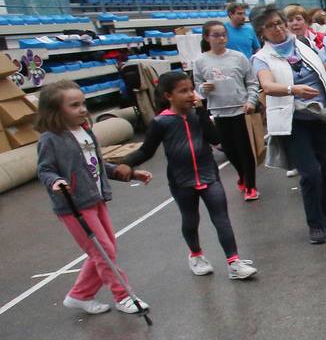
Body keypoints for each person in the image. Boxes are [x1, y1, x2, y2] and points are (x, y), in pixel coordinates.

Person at [123, 71, 257, 280]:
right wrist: (125, 164)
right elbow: (146, 151)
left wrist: (202, 113)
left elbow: (214, 139)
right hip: (181, 179)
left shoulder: (198, 115)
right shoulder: (161, 122)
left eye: (190, 90)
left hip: (208, 174)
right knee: (190, 219)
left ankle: (233, 262)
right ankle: (196, 255)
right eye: (182, 91)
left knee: (221, 217)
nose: (189, 95)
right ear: (168, 96)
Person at [35, 81, 152, 315]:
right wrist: (55, 181)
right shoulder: (51, 139)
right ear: (55, 110)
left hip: (96, 198)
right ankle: (123, 295)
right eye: (74, 105)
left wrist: (125, 173)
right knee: (103, 250)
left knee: (104, 249)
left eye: (83, 103)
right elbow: (45, 169)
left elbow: (95, 164)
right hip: (74, 205)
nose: (82, 109)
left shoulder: (86, 131)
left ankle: (80, 295)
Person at [252, 7, 326, 244]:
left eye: (279, 23)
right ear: (262, 31)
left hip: (322, 117)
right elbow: (267, 86)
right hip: (294, 121)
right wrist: (293, 90)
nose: (278, 28)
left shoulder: (303, 46)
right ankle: (315, 224)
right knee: (310, 174)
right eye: (271, 25)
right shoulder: (261, 58)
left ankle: (323, 210)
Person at [194, 19, 261, 200]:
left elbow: (252, 82)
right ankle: (242, 175)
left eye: (224, 35)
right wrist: (203, 89)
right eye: (216, 35)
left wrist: (251, 100)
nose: (221, 38)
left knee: (245, 149)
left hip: (241, 109)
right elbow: (198, 85)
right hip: (219, 111)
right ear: (207, 37)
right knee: (230, 150)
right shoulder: (200, 61)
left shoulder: (238, 57)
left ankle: (250, 186)